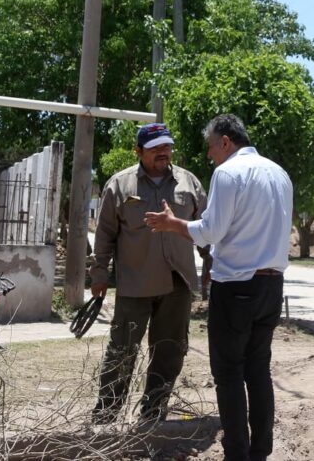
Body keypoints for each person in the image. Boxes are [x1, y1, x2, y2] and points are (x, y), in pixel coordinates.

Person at [144, 114, 293, 461]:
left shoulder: (228, 173)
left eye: (211, 147)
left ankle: (236, 454)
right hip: (272, 286)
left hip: (237, 286)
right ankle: (260, 452)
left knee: (228, 375)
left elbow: (210, 232)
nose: (210, 154)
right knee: (258, 371)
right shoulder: (279, 173)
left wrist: (172, 224)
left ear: (225, 141)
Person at [89, 122, 207, 424]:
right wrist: (99, 272)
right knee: (122, 352)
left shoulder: (189, 183)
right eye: (155, 148)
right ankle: (106, 416)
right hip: (134, 283)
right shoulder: (120, 185)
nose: (163, 152)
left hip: (177, 283)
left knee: (169, 352)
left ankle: (153, 413)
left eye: (166, 146)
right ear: (138, 151)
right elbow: (104, 234)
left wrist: (212, 264)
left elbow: (208, 229)